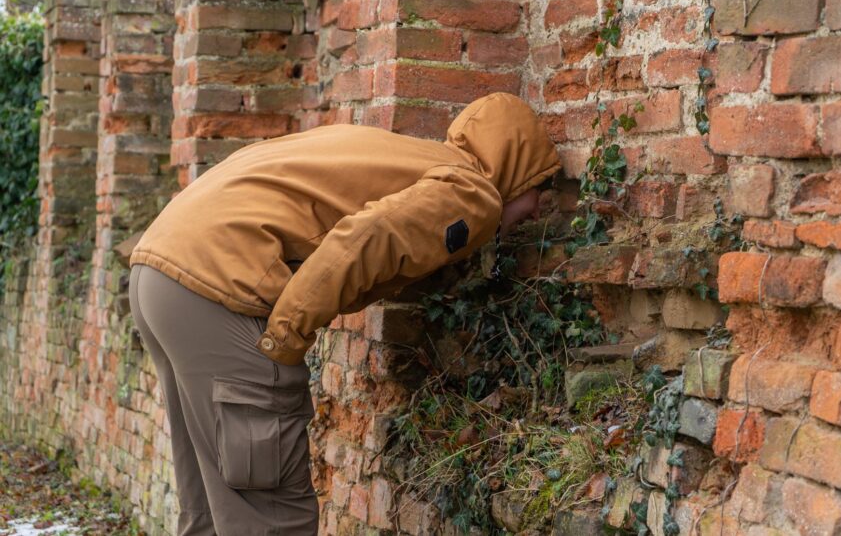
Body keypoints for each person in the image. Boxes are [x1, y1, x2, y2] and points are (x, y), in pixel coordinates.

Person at [127, 92, 561, 535]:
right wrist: (288, 333)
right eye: (539, 190)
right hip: (216, 280)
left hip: (158, 271)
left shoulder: (413, 159)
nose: (535, 211)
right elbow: (366, 238)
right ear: (517, 168)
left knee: (209, 508)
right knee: (273, 516)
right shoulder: (473, 195)